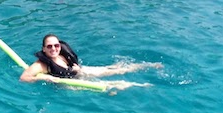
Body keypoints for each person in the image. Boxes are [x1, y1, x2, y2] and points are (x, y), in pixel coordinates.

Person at [19, 34, 161, 84]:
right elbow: (23, 78)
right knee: (119, 84)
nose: (54, 48)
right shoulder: (40, 65)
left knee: (115, 69)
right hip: (68, 82)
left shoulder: (61, 54)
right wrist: (44, 78)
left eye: (56, 45)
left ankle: (148, 65)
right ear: (44, 49)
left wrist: (76, 68)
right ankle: (141, 86)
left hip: (78, 72)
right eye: (49, 46)